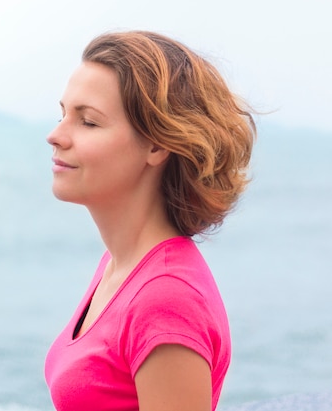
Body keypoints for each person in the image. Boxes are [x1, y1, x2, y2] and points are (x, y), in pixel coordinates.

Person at [43, 30, 256, 411]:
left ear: (157, 145)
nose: (55, 136)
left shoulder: (166, 300)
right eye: (62, 114)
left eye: (88, 122)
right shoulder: (119, 265)